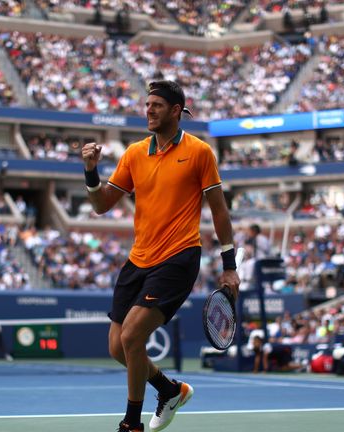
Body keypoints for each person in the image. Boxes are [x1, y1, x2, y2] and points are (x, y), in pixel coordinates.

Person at [82, 80, 239, 432]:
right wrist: (91, 171)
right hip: (139, 258)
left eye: (156, 105)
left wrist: (229, 267)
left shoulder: (199, 152)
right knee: (117, 347)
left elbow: (219, 211)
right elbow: (101, 205)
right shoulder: (135, 153)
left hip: (179, 256)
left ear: (176, 111)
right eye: (147, 104)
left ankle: (131, 424)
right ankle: (169, 390)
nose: (149, 110)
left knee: (133, 336)